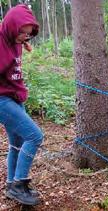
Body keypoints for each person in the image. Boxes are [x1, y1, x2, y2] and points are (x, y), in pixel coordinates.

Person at [0, 4, 43, 206]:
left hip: (15, 98)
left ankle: (12, 185)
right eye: (21, 33)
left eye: (27, 34)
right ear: (11, 26)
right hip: (2, 100)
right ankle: (19, 184)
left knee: (17, 143)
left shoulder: (15, 41)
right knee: (34, 136)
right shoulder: (1, 42)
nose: (24, 37)